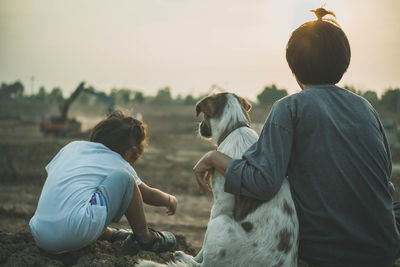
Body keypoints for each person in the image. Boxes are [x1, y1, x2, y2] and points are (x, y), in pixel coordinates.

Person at [193, 8, 400, 267]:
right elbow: (383, 179)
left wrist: (214, 157)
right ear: (343, 63)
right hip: (384, 248)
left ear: (293, 66)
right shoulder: (366, 108)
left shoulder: (289, 108)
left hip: (327, 255)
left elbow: (263, 182)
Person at [29, 111, 177, 254]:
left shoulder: (72, 147)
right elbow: (148, 194)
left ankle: (111, 235)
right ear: (130, 153)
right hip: (74, 233)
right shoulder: (118, 162)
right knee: (126, 179)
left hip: (40, 232)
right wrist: (169, 200)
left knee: (82, 199)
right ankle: (145, 238)